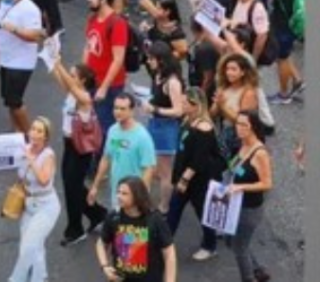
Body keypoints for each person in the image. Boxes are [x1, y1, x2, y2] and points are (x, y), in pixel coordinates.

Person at [51, 56, 107, 246]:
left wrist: (59, 64)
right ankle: (97, 213)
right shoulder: (72, 93)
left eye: (73, 75)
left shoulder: (84, 98)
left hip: (80, 149)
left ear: (82, 80)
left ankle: (75, 229)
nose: (69, 76)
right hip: (69, 144)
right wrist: (53, 59)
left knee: (72, 188)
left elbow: (67, 82)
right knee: (70, 185)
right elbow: (59, 77)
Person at [166, 87, 224, 261]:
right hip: (185, 175)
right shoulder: (187, 120)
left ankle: (209, 245)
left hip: (199, 180)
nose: (182, 104)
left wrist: (183, 180)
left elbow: (197, 161)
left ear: (195, 105)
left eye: (185, 102)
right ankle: (164, 244)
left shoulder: (204, 128)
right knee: (173, 211)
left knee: (203, 214)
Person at [8, 118, 61, 282]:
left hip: (47, 207)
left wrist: (31, 160)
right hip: (29, 204)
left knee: (27, 248)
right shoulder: (24, 149)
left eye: (40, 131)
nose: (35, 133)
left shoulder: (48, 155)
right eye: (33, 129)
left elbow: (44, 179)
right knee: (34, 247)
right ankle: (40, 277)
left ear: (46, 137)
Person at [96, 176, 178, 282]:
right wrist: (105, 266)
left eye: (124, 194)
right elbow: (101, 242)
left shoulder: (154, 219)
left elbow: (169, 252)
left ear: (137, 196)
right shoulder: (114, 217)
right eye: (118, 192)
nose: (118, 196)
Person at [0, 0, 46, 136]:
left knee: (15, 101)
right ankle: (16, 132)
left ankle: (30, 135)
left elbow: (34, 36)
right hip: (5, 59)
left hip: (21, 62)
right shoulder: (5, 4)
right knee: (9, 101)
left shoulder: (30, 9)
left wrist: (15, 29)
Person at [88, 93, 156, 211]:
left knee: (132, 229)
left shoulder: (142, 137)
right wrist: (95, 186)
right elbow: (106, 158)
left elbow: (148, 170)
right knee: (119, 228)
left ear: (132, 111)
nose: (118, 112)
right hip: (117, 193)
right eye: (116, 108)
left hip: (135, 198)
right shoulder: (112, 130)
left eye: (123, 109)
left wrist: (139, 198)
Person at [139, 42, 186, 214]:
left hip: (166, 128)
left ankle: (164, 207)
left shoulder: (172, 82)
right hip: (155, 124)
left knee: (165, 172)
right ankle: (149, 200)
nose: (149, 61)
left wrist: (155, 109)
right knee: (153, 166)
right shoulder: (158, 74)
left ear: (161, 61)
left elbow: (178, 110)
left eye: (152, 58)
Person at [252, 0, 305, 104]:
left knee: (281, 59)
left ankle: (284, 94)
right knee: (286, 56)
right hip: (290, 27)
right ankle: (297, 80)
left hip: (283, 28)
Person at [228, 112, 274, 282]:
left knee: (239, 248)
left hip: (249, 210)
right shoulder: (242, 144)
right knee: (232, 240)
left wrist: (241, 186)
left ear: (253, 127)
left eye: (243, 125)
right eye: (237, 124)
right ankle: (258, 270)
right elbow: (234, 167)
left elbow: (267, 183)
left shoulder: (260, 153)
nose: (238, 128)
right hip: (236, 204)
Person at [83, 0, 129, 138]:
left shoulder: (117, 24)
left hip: (109, 87)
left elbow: (118, 59)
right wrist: (81, 74)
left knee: (104, 129)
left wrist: (103, 87)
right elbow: (88, 47)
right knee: (91, 124)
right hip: (92, 82)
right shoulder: (92, 19)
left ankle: (103, 161)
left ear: (103, 0)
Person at [210, 53, 261, 159]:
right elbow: (212, 114)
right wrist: (217, 104)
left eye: (234, 69)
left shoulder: (248, 92)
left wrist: (223, 106)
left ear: (243, 72)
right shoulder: (223, 88)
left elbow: (243, 122)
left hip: (239, 138)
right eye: (227, 69)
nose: (229, 72)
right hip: (223, 132)